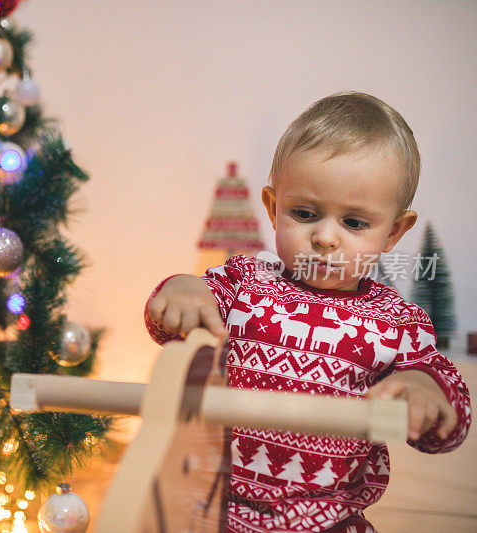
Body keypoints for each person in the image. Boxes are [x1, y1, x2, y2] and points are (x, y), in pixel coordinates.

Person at [144, 92, 471, 533]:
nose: (325, 238)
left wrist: (424, 388)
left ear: (393, 232)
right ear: (274, 208)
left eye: (354, 223)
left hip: (326, 519)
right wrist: (182, 290)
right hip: (214, 508)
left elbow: (446, 430)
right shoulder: (246, 280)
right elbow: (167, 324)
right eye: (304, 213)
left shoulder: (397, 323)